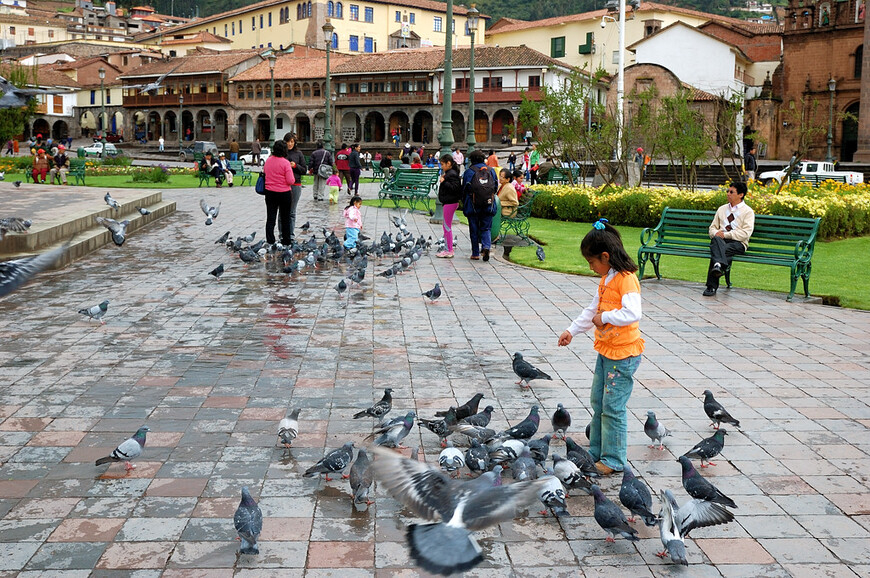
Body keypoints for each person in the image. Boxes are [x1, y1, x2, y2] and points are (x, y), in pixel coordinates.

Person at [557, 219, 644, 476]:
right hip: (607, 350)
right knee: (598, 401)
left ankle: (614, 459)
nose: (591, 267)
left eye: (592, 262)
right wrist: (571, 330)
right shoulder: (607, 278)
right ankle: (596, 451)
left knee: (613, 407)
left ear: (605, 256)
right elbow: (592, 310)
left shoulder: (626, 280)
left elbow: (632, 313)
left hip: (623, 354)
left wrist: (604, 318)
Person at [703, 181, 755, 297]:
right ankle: (718, 267)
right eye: (728, 191)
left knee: (717, 249)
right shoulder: (721, 209)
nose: (728, 194)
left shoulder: (748, 212)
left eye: (731, 192)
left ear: (740, 195)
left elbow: (745, 233)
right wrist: (717, 233)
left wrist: (726, 235)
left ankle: (712, 284)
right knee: (716, 241)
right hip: (720, 240)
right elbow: (712, 228)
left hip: (738, 243)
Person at [461, 150, 497, 262]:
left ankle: (475, 253)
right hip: (488, 204)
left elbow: (464, 189)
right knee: (486, 228)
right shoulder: (491, 171)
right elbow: (495, 187)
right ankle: (486, 247)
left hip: (473, 206)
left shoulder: (469, 172)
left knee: (474, 229)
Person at [263, 139, 296, 247]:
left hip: (270, 192)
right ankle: (286, 240)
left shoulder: (268, 161)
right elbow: (291, 180)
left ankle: (270, 239)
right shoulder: (285, 163)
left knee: (271, 217)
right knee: (285, 217)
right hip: (284, 193)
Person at [436, 153, 462, 259]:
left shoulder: (451, 174)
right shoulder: (450, 173)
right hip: (449, 202)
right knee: (446, 226)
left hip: (450, 202)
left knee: (447, 227)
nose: (441, 166)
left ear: (449, 163)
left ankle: (448, 250)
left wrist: (444, 181)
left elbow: (455, 188)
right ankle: (448, 249)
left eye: (442, 164)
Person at [283, 133, 307, 241]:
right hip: (283, 184)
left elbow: (304, 170)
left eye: (292, 142)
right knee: (282, 211)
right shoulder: (282, 153)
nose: (290, 144)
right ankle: (282, 234)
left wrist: (295, 166)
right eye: (288, 141)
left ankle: (291, 235)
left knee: (292, 211)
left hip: (296, 184)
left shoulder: (299, 154)